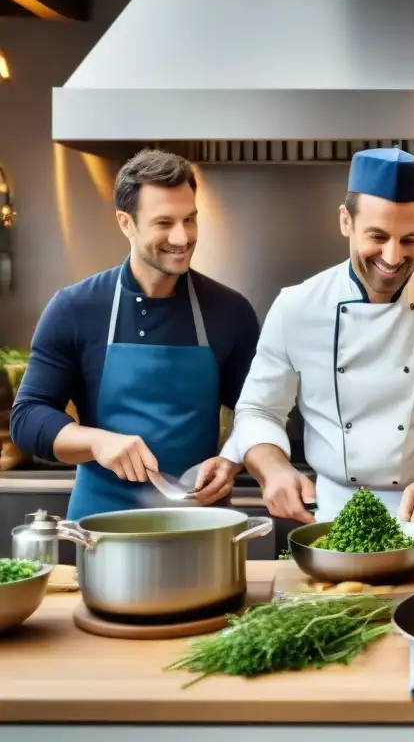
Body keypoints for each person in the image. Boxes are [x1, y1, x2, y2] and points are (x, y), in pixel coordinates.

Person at [230, 147, 414, 537]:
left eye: (410, 240)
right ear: (345, 221)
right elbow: (257, 410)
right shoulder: (297, 306)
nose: (393, 256)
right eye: (379, 236)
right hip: (333, 519)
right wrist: (274, 469)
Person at [10, 149, 261, 520]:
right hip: (103, 527)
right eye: (164, 223)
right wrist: (96, 441)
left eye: (189, 220)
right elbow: (27, 418)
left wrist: (231, 460)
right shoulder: (75, 308)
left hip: (201, 525)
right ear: (125, 222)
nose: (182, 237)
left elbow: (257, 411)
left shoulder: (229, 311)